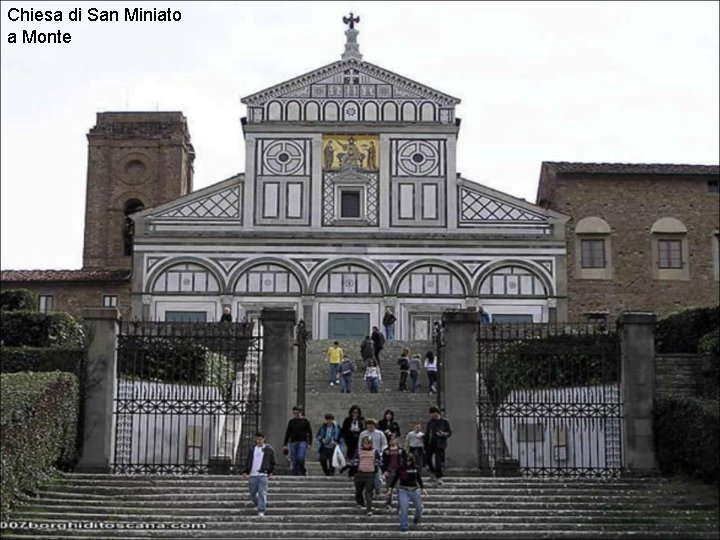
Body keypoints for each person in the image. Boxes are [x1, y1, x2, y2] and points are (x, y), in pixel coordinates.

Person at [388, 453, 427, 532]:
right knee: (404, 508)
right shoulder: (401, 468)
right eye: (406, 460)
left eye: (409, 461)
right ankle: (404, 525)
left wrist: (423, 488)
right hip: (403, 490)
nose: (408, 462)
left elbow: (418, 478)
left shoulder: (416, 468)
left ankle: (417, 517)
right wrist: (390, 488)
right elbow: (395, 478)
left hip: (414, 490)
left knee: (420, 507)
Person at [242, 431, 275, 517]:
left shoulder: (269, 450)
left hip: (263, 474)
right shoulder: (252, 449)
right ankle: (258, 503)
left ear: (264, 439)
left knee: (262, 492)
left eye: (260, 439)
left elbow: (272, 462)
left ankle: (261, 509)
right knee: (252, 493)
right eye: (257, 439)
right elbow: (248, 461)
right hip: (253, 474)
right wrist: (245, 471)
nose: (259, 441)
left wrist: (271, 472)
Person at [351, 436, 382, 516]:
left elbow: (379, 462)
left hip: (370, 474)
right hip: (360, 473)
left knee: (368, 492)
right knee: (359, 491)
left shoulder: (375, 451)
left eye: (369, 443)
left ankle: (369, 509)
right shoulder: (358, 451)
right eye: (365, 443)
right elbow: (354, 461)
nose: (367, 444)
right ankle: (360, 503)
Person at [282, 405, 312, 476]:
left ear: (301, 412)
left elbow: (309, 433)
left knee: (300, 457)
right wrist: (285, 444)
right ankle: (295, 472)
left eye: (297, 413)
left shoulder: (305, 421)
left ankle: (302, 469)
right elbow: (288, 433)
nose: (296, 414)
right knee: (294, 459)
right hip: (293, 441)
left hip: (302, 441)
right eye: (294, 413)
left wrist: (309, 443)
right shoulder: (291, 422)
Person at [360, 418, 388, 496]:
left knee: (378, 476)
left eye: (372, 425)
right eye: (369, 425)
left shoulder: (380, 433)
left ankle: (378, 489)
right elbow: (360, 445)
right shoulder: (363, 434)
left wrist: (382, 452)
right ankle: (369, 491)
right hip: (366, 457)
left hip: (377, 457)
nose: (370, 427)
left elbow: (384, 444)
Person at [425, 406, 452, 485]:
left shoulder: (444, 422)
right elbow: (428, 432)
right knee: (427, 459)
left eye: (433, 413)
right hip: (430, 443)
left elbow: (449, 432)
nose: (432, 415)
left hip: (439, 444)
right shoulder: (430, 422)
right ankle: (432, 473)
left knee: (438, 461)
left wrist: (443, 434)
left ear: (437, 413)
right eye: (431, 414)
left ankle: (438, 477)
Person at [381, 434, 407, 509]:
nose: (392, 441)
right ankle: (388, 503)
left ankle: (400, 505)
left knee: (399, 489)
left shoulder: (401, 450)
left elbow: (405, 461)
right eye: (390, 439)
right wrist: (384, 471)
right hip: (389, 471)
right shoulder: (386, 451)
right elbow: (383, 462)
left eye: (393, 439)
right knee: (389, 488)